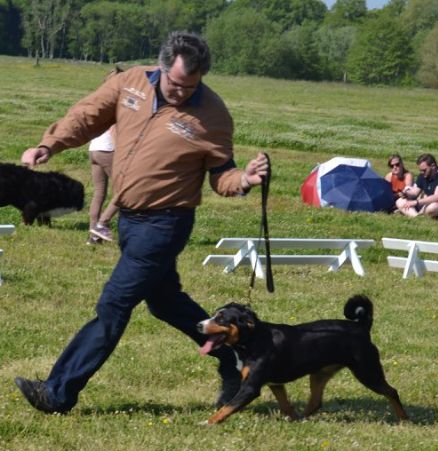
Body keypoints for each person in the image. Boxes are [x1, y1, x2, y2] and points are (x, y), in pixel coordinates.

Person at [14, 31, 269, 414]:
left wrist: (244, 180)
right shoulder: (131, 81)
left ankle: (57, 393)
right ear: (162, 67)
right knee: (165, 303)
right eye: (175, 84)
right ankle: (236, 358)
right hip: (129, 219)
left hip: (165, 224)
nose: (181, 93)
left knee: (114, 304)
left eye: (191, 86)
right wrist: (49, 144)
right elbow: (87, 115)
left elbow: (222, 175)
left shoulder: (212, 114)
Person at [395, 153, 438, 219]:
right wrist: (406, 194)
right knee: (400, 201)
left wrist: (416, 202)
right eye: (420, 170)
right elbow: (415, 192)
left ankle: (415, 214)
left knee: (433, 207)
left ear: (433, 166)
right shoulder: (423, 175)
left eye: (424, 170)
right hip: (428, 204)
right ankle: (416, 217)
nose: (422, 172)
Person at [87, 124, 119, 243]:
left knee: (99, 193)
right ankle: (102, 225)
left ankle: (94, 237)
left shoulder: (102, 114)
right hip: (108, 150)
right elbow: (114, 129)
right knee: (124, 191)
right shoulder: (116, 112)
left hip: (94, 149)